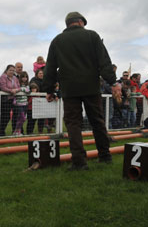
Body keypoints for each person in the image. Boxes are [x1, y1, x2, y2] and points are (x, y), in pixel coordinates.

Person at [43, 11, 116, 170]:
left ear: (67, 24)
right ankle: (105, 155)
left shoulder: (57, 41)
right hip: (91, 87)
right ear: (81, 22)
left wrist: (49, 89)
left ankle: (79, 161)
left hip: (69, 89)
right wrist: (112, 80)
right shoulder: (92, 36)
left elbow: (49, 68)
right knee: (97, 122)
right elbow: (104, 61)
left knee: (73, 124)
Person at [0, 64, 20, 136]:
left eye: (13, 71)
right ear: (6, 70)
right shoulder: (3, 77)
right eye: (10, 70)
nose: (12, 72)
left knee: (16, 115)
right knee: (5, 117)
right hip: (5, 100)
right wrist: (11, 91)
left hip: (14, 99)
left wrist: (16, 90)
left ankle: (14, 131)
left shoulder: (15, 78)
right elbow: (3, 87)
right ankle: (1, 131)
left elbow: (19, 87)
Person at [13, 71, 30, 136]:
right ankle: (16, 130)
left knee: (21, 119)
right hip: (19, 103)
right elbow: (15, 89)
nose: (24, 78)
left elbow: (28, 90)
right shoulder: (17, 84)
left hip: (25, 104)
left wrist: (20, 89)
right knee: (22, 117)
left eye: (26, 77)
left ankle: (17, 131)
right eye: (23, 77)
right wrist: (20, 89)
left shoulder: (27, 85)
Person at [29, 69, 45, 133]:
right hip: (35, 102)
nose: (41, 74)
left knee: (42, 118)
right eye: (40, 73)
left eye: (42, 73)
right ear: (37, 74)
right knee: (32, 119)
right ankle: (30, 132)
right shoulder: (33, 80)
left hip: (43, 101)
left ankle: (40, 131)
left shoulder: (45, 80)